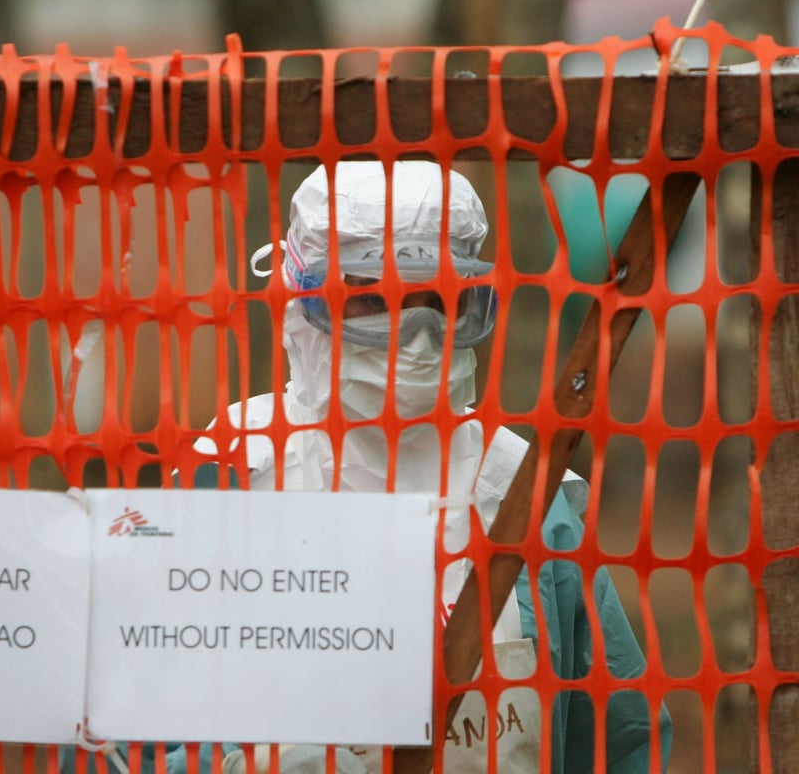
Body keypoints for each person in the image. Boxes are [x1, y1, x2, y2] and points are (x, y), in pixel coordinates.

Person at [191, 160, 673, 773]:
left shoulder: (521, 492)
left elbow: (617, 739)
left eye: (440, 301)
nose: (417, 336)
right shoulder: (236, 473)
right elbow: (131, 721)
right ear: (303, 302)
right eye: (374, 301)